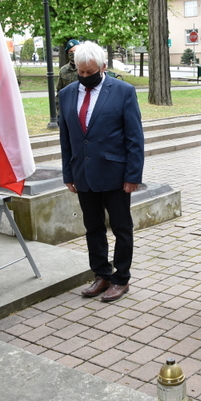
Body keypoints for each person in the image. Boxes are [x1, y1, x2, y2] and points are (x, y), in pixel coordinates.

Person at [58, 41, 144, 302]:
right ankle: (102, 274)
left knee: (121, 228)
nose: (85, 77)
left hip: (115, 174)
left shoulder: (123, 91)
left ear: (103, 67)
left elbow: (134, 138)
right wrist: (68, 173)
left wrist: (133, 176)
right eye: (81, 73)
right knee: (92, 227)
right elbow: (66, 137)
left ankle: (121, 278)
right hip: (83, 173)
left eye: (90, 72)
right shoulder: (67, 93)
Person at [56, 39, 80, 118]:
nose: (73, 53)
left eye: (76, 50)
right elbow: (59, 92)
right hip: (69, 108)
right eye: (71, 51)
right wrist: (59, 112)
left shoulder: (86, 68)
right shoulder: (63, 70)